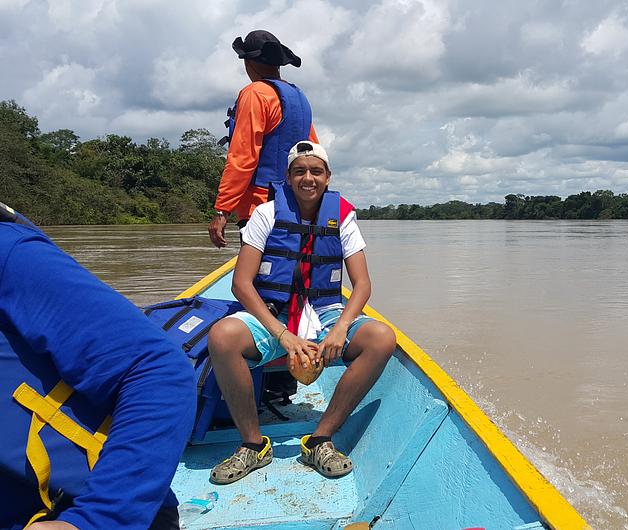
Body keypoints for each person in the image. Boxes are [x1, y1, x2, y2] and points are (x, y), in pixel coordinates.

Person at [206, 142, 396, 484]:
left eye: (316, 171)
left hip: (326, 314)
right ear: (289, 178)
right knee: (222, 336)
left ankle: (320, 440)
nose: (308, 178)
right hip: (275, 314)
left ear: (328, 177)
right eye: (299, 171)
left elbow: (363, 285)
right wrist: (283, 335)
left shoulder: (344, 217)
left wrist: (341, 328)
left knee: (382, 338)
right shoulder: (266, 214)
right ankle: (253, 444)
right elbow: (241, 285)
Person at [0, 203, 196, 530]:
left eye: (314, 171)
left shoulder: (10, 253)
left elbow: (162, 371)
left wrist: (94, 521)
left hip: (79, 510)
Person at [208, 30, 319, 248]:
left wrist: (223, 210)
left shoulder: (254, 94)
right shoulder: (299, 97)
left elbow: (243, 157)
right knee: (285, 275)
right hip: (296, 206)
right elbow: (314, 154)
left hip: (260, 208)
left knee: (258, 278)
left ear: (249, 62)